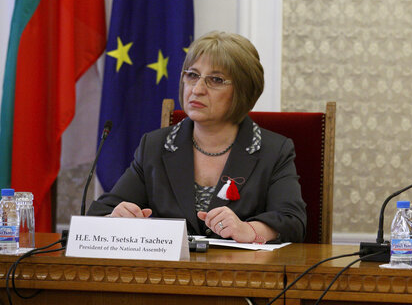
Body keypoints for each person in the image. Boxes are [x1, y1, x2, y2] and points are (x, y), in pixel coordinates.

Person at [88, 31, 307, 243]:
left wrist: (249, 230)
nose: (197, 89)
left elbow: (293, 221)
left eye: (216, 80)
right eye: (192, 75)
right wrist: (116, 219)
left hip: (243, 275)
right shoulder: (155, 146)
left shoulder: (273, 150)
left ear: (243, 90)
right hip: (168, 276)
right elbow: (100, 213)